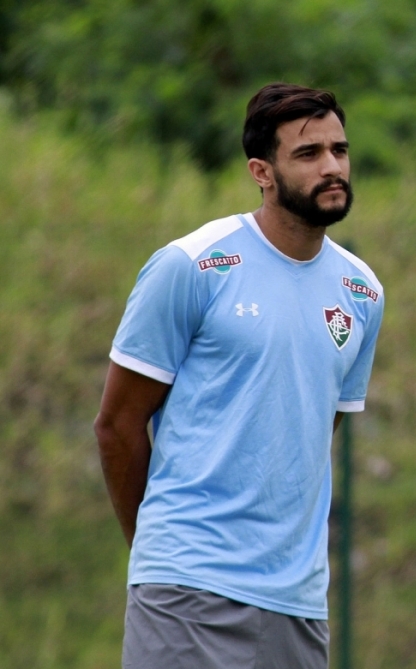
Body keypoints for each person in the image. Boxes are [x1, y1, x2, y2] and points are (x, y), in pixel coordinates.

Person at [93, 83, 384, 669]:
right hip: (185, 589)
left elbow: (312, 432)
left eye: (339, 150)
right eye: (308, 154)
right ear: (262, 171)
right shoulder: (193, 265)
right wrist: (164, 553)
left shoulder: (363, 292)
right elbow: (117, 426)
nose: (332, 167)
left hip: (298, 604)